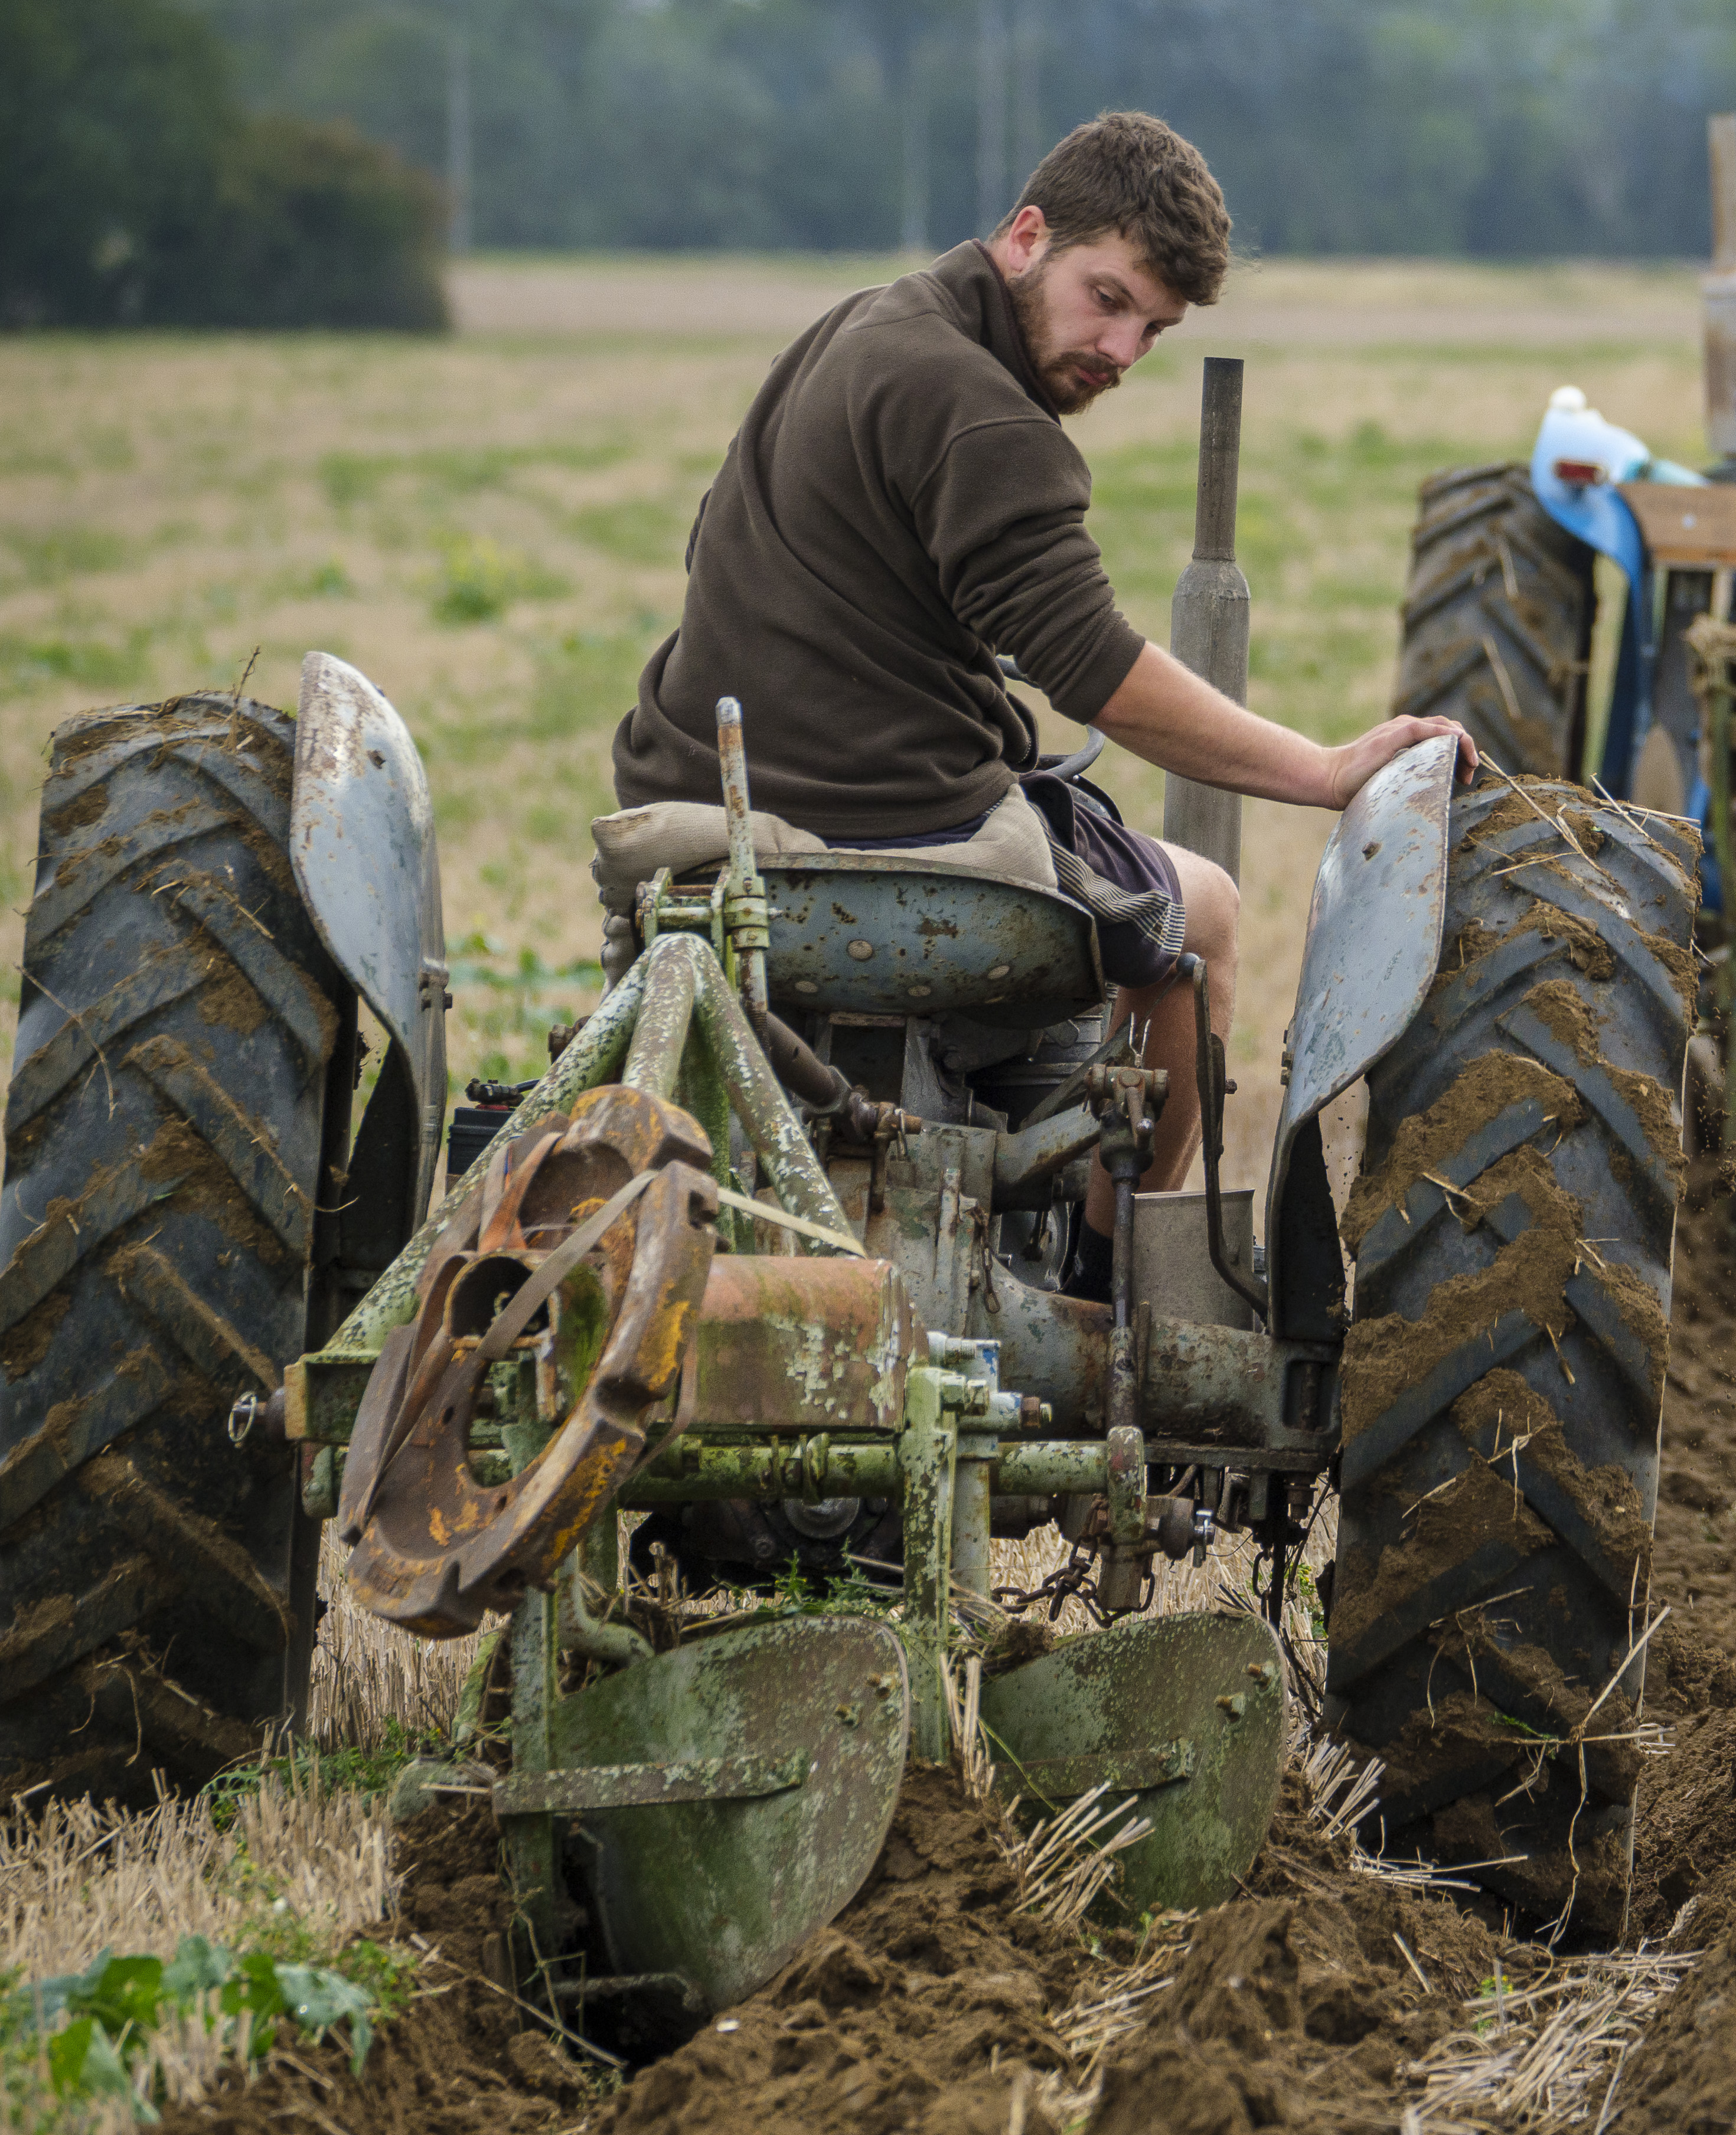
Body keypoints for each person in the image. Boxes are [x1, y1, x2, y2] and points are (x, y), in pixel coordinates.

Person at [608, 110, 1467, 1294]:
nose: (1118, 349)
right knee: (1203, 915)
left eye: (1151, 330)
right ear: (1025, 237)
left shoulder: (854, 328)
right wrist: (1322, 772)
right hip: (887, 820)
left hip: (684, 789)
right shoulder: (984, 414)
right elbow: (1095, 672)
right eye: (1104, 298)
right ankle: (1108, 1292)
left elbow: (720, 533)